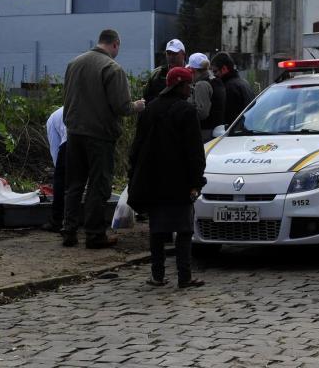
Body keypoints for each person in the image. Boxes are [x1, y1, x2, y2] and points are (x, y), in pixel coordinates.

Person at [62, 29, 145, 249]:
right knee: (99, 186)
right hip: (99, 136)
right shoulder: (112, 68)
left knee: (74, 185)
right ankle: (94, 234)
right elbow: (122, 107)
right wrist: (137, 106)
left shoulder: (74, 63)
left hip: (74, 132)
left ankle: (68, 231)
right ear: (115, 44)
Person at [128, 67, 206, 288]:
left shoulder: (149, 110)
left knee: (157, 229)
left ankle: (157, 275)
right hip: (179, 181)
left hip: (152, 181)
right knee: (183, 229)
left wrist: (133, 176)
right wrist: (196, 181)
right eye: (188, 85)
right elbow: (194, 152)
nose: (190, 88)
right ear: (180, 86)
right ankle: (184, 276)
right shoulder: (187, 111)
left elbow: (136, 148)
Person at [187, 52, 226, 143]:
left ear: (192, 70)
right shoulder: (216, 80)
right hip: (216, 130)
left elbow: (202, 113)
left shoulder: (201, 84)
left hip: (205, 133)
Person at [210, 51, 255, 125]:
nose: (214, 75)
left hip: (236, 132)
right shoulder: (244, 83)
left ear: (224, 69)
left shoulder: (228, 87)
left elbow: (229, 117)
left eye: (215, 71)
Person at [42, 106, 67, 232]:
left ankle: (56, 220)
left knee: (60, 179)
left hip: (70, 140)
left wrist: (58, 170)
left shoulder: (52, 119)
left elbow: (55, 150)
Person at [143, 38, 186, 104]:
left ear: (183, 54)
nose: (171, 57)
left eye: (175, 53)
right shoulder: (157, 73)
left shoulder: (190, 73)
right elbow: (146, 97)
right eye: (168, 53)